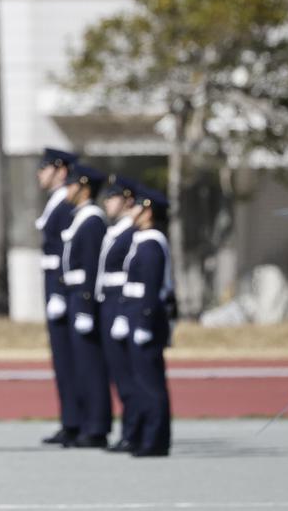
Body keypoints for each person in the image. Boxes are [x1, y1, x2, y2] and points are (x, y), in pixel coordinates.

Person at [60, 164, 111, 448]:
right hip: (74, 296)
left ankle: (96, 426)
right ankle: (87, 424)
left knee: (91, 367)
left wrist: (86, 307)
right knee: (81, 365)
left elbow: (91, 268)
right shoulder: (81, 218)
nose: (66, 189)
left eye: (71, 185)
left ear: (84, 187)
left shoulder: (92, 221)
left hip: (83, 300)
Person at [121, 187, 173, 457]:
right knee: (141, 379)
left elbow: (152, 288)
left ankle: (155, 439)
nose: (131, 211)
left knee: (150, 383)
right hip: (135, 312)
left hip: (146, 317)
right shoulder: (143, 241)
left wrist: (144, 322)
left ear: (148, 211)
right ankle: (147, 436)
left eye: (135, 207)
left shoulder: (152, 243)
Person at [35, 148, 81, 446]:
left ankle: (76, 422)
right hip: (53, 284)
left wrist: (61, 290)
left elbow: (68, 253)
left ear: (60, 170)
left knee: (70, 358)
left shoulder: (66, 203)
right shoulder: (56, 202)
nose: (40, 173)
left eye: (44, 168)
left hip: (61, 286)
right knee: (62, 358)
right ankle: (70, 420)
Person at [95, 175, 141, 452]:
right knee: (119, 374)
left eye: (112, 197)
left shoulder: (131, 234)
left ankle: (133, 431)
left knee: (127, 375)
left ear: (127, 200)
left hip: (120, 305)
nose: (107, 202)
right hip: (109, 303)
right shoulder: (116, 232)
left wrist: (123, 311)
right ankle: (129, 429)